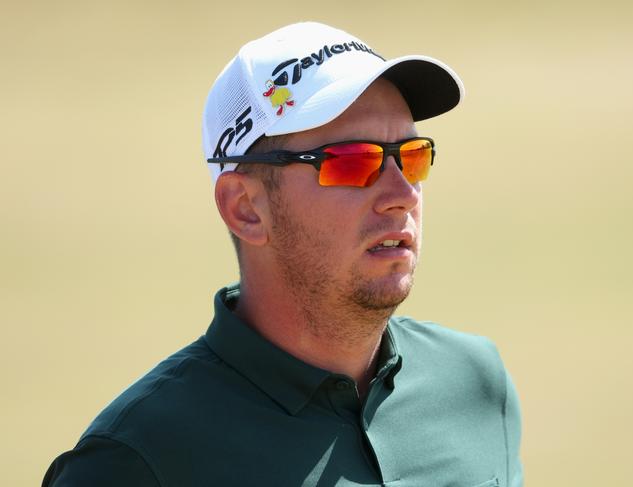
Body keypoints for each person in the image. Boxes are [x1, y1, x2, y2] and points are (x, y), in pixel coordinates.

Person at [43, 22, 523, 487]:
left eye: (412, 155)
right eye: (353, 162)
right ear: (246, 208)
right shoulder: (136, 460)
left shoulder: (477, 383)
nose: (403, 193)